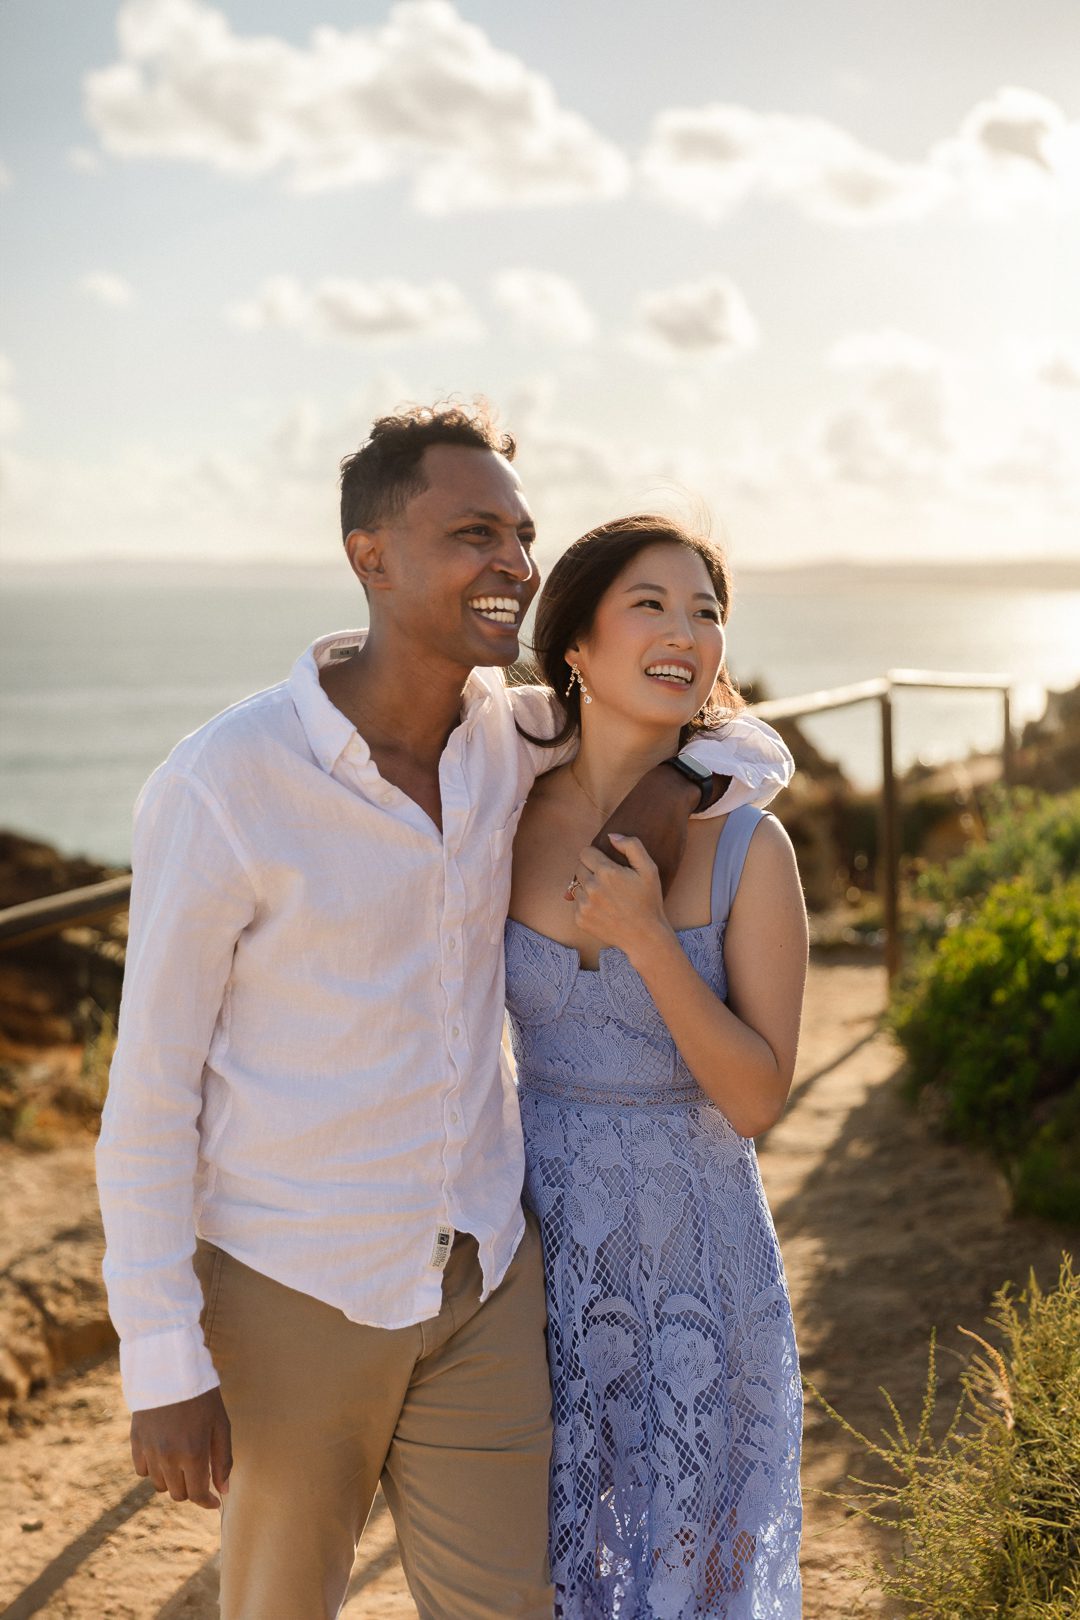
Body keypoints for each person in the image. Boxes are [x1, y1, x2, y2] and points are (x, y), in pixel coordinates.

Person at [96, 405, 795, 1620]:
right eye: (475, 533)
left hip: (488, 1282)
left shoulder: (504, 744)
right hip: (299, 1285)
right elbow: (150, 1092)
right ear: (370, 555)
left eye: (521, 536)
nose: (512, 562)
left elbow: (725, 736)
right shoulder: (226, 782)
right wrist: (161, 1356)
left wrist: (680, 784)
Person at [505, 515, 806, 1619]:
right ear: (576, 644)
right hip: (534, 1260)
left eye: (707, 612)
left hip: (698, 1275)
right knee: (548, 1575)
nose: (687, 632)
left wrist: (647, 939)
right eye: (652, 604)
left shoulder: (749, 847)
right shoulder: (502, 810)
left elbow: (756, 1096)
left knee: (694, 1577)